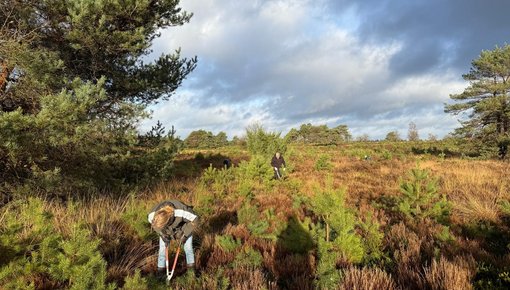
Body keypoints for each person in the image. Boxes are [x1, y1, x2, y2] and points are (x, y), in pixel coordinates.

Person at [148, 200, 198, 277]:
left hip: (184, 228)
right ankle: (160, 273)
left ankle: (191, 273)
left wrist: (185, 235)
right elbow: (155, 226)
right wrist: (162, 235)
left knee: (188, 248)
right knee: (162, 249)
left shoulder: (181, 211)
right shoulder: (152, 215)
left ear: (168, 220)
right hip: (166, 230)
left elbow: (195, 219)